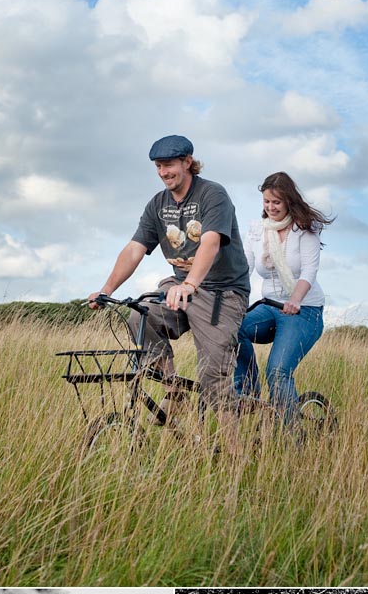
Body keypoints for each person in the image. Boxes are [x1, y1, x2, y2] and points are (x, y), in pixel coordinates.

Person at [88, 135, 250, 413]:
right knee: (140, 314)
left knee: (213, 377)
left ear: (188, 162)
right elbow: (134, 249)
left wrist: (189, 284)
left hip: (222, 292)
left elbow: (210, 242)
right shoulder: (158, 205)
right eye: (158, 167)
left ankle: (235, 455)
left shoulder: (212, 194)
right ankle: (174, 393)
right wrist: (107, 290)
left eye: (169, 165)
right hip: (179, 287)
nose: (163, 173)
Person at [234, 171, 333, 420]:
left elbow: (309, 270)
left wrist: (295, 300)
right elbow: (243, 268)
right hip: (268, 307)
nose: (271, 207)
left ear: (288, 201)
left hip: (304, 311)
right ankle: (248, 393)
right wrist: (230, 300)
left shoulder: (304, 229)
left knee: (278, 371)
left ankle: (290, 438)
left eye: (276, 202)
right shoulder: (258, 230)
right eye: (266, 202)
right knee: (231, 330)